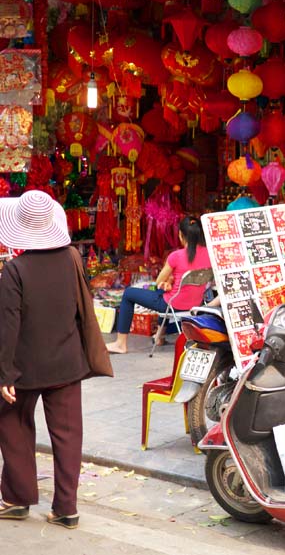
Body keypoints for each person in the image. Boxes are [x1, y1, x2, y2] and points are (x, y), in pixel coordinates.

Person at [0, 190, 111, 529]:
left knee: (13, 425)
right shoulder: (72, 258)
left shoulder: (15, 270)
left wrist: (4, 373)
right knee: (67, 434)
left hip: (24, 368)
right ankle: (66, 508)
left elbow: (8, 325)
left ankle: (17, 498)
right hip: (66, 362)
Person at [106, 215, 211, 354]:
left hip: (174, 304)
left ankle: (120, 344)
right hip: (195, 305)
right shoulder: (209, 254)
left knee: (129, 293)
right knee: (165, 293)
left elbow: (158, 282)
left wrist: (168, 281)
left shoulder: (176, 256)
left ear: (181, 235)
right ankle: (159, 336)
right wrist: (171, 281)